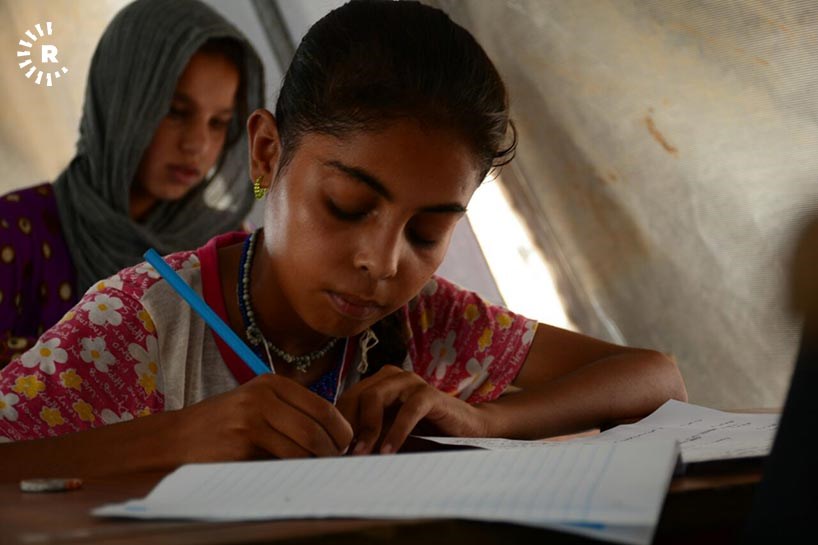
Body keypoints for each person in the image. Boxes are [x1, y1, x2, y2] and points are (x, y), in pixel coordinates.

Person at [0, 0, 686, 480]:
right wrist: (180, 435)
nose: (381, 263)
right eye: (348, 205)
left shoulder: (426, 319)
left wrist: (486, 420)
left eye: (427, 229)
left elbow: (656, 376)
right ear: (266, 155)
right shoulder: (144, 323)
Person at [0, 0, 265, 366]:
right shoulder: (15, 232)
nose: (197, 145)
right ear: (119, 102)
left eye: (218, 123)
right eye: (175, 112)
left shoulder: (226, 248)